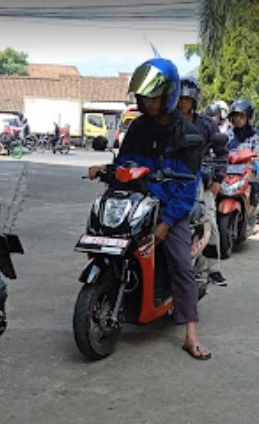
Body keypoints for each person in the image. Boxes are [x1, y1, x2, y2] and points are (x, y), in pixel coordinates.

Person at [88, 58, 211, 360]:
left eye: (154, 96)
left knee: (181, 262)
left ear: (168, 94)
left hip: (170, 205)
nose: (148, 102)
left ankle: (190, 334)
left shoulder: (189, 135)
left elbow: (186, 188)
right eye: (144, 96)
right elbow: (124, 163)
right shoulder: (138, 127)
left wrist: (167, 222)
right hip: (136, 200)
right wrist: (105, 169)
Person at [177, 76, 228, 287]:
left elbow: (222, 152)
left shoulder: (206, 124)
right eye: (179, 98)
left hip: (198, 179)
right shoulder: (166, 122)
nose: (183, 103)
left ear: (194, 101)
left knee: (209, 221)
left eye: (187, 99)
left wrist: (217, 180)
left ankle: (213, 269)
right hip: (169, 179)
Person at [226, 99, 259, 233]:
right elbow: (218, 148)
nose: (238, 119)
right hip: (228, 171)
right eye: (236, 116)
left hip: (247, 170)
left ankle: (252, 213)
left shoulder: (254, 136)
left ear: (249, 117)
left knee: (255, 180)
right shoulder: (228, 135)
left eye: (242, 116)